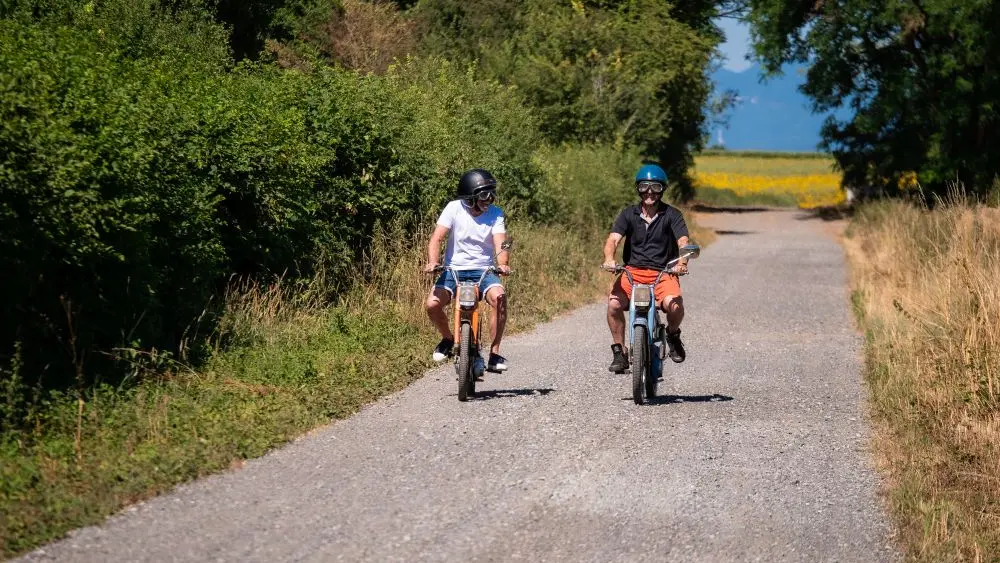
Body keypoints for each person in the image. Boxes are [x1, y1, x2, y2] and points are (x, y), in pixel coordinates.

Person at [602, 164, 690, 373]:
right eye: (644, 187)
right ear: (638, 189)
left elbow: (683, 241)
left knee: (675, 306)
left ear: (662, 189)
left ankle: (672, 334)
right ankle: (619, 351)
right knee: (613, 305)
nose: (649, 192)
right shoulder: (628, 214)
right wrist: (609, 259)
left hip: (663, 273)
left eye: (655, 187)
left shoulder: (672, 214)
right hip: (632, 272)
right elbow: (613, 239)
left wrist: (682, 263)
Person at [424, 168, 511, 373]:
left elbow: (501, 242)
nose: (489, 199)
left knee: (499, 298)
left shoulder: (495, 213)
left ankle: (495, 354)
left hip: (484, 270)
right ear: (470, 197)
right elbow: (437, 238)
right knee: (432, 304)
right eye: (483, 195)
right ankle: (448, 339)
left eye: (491, 194)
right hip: (453, 269)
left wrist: (503, 263)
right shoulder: (453, 208)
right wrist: (433, 262)